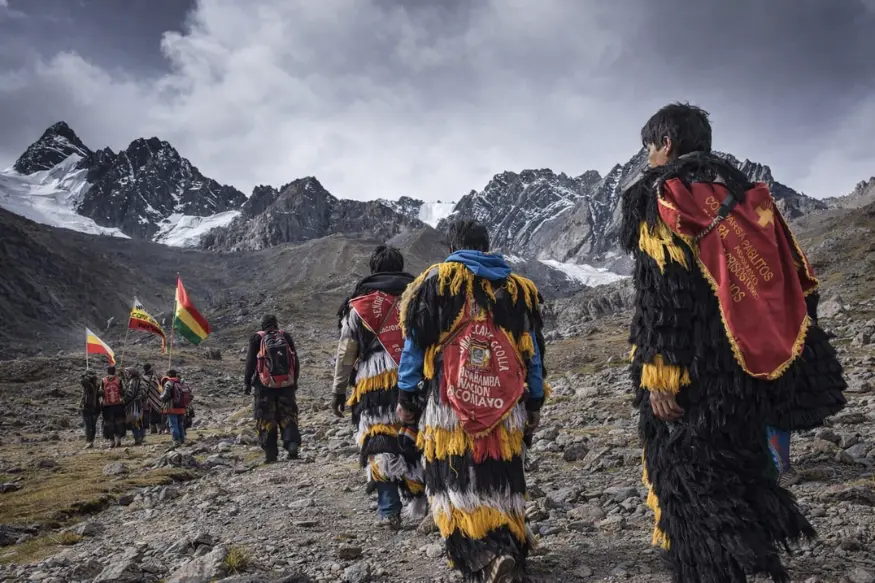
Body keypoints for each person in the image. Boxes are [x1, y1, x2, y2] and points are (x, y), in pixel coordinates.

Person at [620, 102, 847, 582]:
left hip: (693, 371)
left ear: (667, 144)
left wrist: (660, 373)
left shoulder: (663, 196)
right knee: (743, 460)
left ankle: (719, 569)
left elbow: (664, 292)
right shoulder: (744, 196)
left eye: (649, 147)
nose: (648, 158)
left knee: (687, 475)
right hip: (746, 364)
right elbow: (790, 278)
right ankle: (759, 559)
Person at [397, 219, 547, 583]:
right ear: (486, 244)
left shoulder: (435, 283)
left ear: (452, 246)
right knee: (502, 479)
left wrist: (406, 397)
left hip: (451, 405)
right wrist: (536, 400)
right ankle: (509, 551)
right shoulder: (517, 288)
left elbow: (414, 347)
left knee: (452, 482)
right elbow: (533, 352)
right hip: (506, 405)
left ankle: (481, 558)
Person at [333, 245, 426, 530]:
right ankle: (422, 505)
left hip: (373, 381)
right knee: (417, 438)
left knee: (379, 440)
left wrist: (338, 389)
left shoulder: (358, 304)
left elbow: (347, 349)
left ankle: (389, 511)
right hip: (416, 377)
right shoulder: (418, 296)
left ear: (373, 269)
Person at [244, 315, 302, 462]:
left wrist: (247, 383)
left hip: (264, 386)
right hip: (286, 385)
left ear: (262, 325)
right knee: (288, 414)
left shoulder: (257, 338)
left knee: (265, 417)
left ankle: (270, 452)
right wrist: (294, 381)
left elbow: (250, 362)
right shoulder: (285, 336)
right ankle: (292, 444)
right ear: (276, 324)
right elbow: (295, 361)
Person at [160, 369, 191, 446]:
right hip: (182, 407)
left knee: (173, 424)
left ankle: (176, 440)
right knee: (180, 424)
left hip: (172, 407)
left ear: (168, 375)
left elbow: (166, 395)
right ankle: (182, 439)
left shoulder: (169, 383)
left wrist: (160, 397)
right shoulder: (181, 382)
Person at [99, 365, 127, 448]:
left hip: (107, 406)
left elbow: (100, 392)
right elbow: (123, 391)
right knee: (119, 422)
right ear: (114, 371)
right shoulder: (119, 380)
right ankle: (118, 439)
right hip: (118, 405)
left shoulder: (103, 380)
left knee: (108, 423)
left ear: (107, 371)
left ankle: (111, 441)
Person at [122, 367, 146, 445]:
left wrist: (123, 400)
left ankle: (137, 439)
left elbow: (130, 393)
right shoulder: (141, 381)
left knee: (134, 422)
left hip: (133, 405)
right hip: (139, 404)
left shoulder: (132, 382)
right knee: (139, 421)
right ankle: (141, 437)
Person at [79, 369, 101, 449]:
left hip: (87, 407)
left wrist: (84, 375)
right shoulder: (97, 384)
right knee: (93, 425)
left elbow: (82, 381)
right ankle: (91, 441)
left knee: (88, 426)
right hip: (96, 407)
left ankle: (89, 442)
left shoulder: (88, 385)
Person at [142, 363, 164, 435]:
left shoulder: (143, 378)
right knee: (158, 413)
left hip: (148, 399)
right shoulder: (156, 376)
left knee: (151, 414)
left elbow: (143, 389)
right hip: (158, 397)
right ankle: (159, 428)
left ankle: (153, 429)